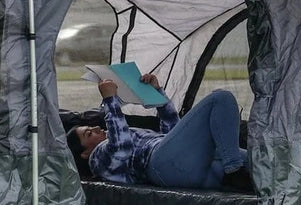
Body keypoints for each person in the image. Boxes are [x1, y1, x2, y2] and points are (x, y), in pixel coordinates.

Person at [67, 75, 251, 191]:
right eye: (89, 134)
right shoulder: (98, 160)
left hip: (186, 167)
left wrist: (157, 95)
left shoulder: (115, 139)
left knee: (257, 163)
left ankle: (234, 171)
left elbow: (173, 131)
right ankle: (233, 169)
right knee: (221, 98)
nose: (98, 129)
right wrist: (109, 99)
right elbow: (121, 146)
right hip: (161, 165)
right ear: (84, 153)